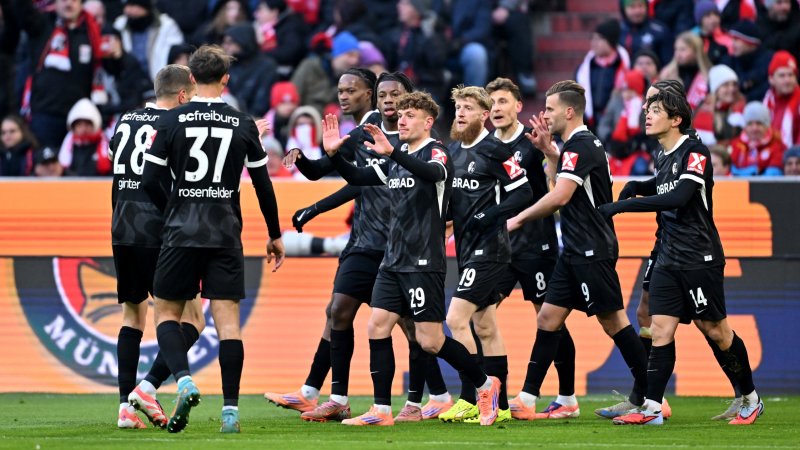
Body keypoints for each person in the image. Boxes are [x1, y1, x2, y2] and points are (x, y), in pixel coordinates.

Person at [322, 92, 503, 426]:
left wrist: (393, 153)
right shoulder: (399, 153)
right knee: (377, 326)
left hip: (424, 262)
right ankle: (381, 410)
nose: (401, 120)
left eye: (409, 115)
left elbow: (433, 174)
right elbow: (358, 178)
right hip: (393, 260)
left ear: (428, 122)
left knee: (430, 341)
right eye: (400, 115)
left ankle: (483, 384)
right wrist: (334, 156)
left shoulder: (437, 152)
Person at [141, 44, 285, 434]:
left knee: (167, 313)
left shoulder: (170, 121)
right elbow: (263, 185)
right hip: (224, 233)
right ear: (226, 79)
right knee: (228, 327)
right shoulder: (243, 124)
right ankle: (231, 413)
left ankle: (184, 379)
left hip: (181, 231)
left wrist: (172, 208)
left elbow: (150, 179)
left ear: (191, 78)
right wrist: (274, 234)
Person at [599, 87, 763, 426]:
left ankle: (750, 398)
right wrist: (640, 186)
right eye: (648, 108)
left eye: (656, 110)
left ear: (676, 119)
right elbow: (663, 185)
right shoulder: (663, 153)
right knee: (660, 329)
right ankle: (652, 409)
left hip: (699, 257)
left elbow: (679, 196)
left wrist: (624, 205)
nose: (647, 113)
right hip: (669, 256)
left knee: (716, 330)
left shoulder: (695, 152)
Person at [506, 80, 649, 421]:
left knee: (612, 321)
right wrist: (549, 153)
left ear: (569, 111)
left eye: (551, 108)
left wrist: (518, 219)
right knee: (548, 317)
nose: (545, 114)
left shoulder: (581, 145)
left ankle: (651, 395)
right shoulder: (575, 146)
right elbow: (561, 187)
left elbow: (559, 197)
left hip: (592, 247)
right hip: (574, 249)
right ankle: (531, 398)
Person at [264, 68, 386, 423]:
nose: (344, 96)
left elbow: (360, 183)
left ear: (370, 93)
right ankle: (315, 394)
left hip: (388, 241)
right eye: (340, 90)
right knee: (336, 313)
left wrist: (315, 207)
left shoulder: (379, 132)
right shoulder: (361, 132)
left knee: (416, 331)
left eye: (352, 90)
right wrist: (300, 158)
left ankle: (445, 394)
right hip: (364, 239)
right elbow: (324, 171)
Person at [110, 64, 206, 430]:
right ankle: (147, 389)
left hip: (122, 226)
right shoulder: (176, 125)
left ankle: (124, 408)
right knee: (192, 317)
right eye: (192, 97)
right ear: (183, 95)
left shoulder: (125, 120)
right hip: (161, 231)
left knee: (132, 315)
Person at [436, 85, 532, 424]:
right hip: (466, 249)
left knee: (455, 320)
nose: (460, 113)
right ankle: (502, 406)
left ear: (483, 114)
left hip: (491, 250)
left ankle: (472, 396)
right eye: (458, 107)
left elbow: (525, 193)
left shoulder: (495, 149)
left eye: (468, 108)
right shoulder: (453, 151)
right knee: (486, 327)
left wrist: (488, 216)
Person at [486, 78, 578, 420]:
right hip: (498, 245)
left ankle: (566, 396)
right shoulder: (484, 146)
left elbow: (555, 188)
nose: (496, 108)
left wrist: (548, 152)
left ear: (518, 106)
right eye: (492, 102)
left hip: (536, 245)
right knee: (479, 313)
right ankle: (490, 397)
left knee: (549, 318)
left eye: (502, 101)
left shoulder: (533, 142)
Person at [11, 0, 108, 149]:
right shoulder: (42, 24)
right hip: (45, 114)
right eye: (63, 0)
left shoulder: (91, 30)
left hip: (79, 117)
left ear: (81, 4)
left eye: (74, 0)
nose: (68, 3)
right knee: (46, 164)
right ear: (54, 3)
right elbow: (21, 9)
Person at [576, 18, 630, 131]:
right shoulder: (585, 68)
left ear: (610, 42)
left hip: (614, 124)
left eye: (599, 39)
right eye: (593, 39)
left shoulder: (622, 65)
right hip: (589, 122)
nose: (594, 43)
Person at [291, 31, 361, 114]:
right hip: (307, 119)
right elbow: (293, 95)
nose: (354, 61)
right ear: (336, 54)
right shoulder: (310, 67)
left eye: (357, 57)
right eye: (350, 55)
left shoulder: (353, 79)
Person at [112, 0, 184, 82]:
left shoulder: (167, 26)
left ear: (145, 8)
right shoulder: (119, 25)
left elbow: (178, 57)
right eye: (126, 6)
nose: (128, 10)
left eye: (133, 5)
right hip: (129, 83)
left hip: (161, 84)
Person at [221, 23, 277, 117]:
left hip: (253, 120)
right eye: (224, 42)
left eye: (230, 43)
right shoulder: (228, 64)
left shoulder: (266, 66)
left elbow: (261, 105)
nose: (225, 46)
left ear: (243, 42)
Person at [729, 101, 786, 176]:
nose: (754, 128)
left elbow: (773, 176)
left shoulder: (777, 146)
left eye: (759, 123)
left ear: (767, 126)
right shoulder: (735, 145)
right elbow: (728, 170)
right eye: (750, 124)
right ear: (745, 126)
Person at [658, 32, 711, 111]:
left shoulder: (708, 74)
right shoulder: (667, 73)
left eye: (683, 49)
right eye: (676, 49)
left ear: (696, 51)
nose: (678, 54)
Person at [693, 64, 745, 146]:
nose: (732, 89)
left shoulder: (742, 108)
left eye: (734, 84)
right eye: (726, 85)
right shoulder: (704, 109)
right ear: (716, 90)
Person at [58, 98, 111, 176]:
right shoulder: (69, 147)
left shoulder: (107, 147)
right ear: (74, 127)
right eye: (79, 125)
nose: (83, 129)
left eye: (87, 124)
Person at [724, 20, 773, 102]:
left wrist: (746, 98)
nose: (733, 44)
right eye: (733, 39)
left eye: (737, 40)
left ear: (751, 42)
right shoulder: (729, 61)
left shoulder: (768, 60)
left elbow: (768, 88)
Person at [619, 0, 673, 68]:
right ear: (624, 9)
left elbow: (668, 65)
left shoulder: (660, 31)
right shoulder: (617, 31)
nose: (637, 11)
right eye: (632, 7)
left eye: (641, 6)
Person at [763, 51, 800, 148]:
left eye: (791, 75)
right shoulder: (767, 101)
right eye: (782, 76)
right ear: (771, 79)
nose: (787, 80)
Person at [692, 1, 731, 65]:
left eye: (716, 14)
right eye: (708, 15)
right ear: (700, 19)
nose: (713, 19)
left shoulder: (727, 36)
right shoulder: (693, 38)